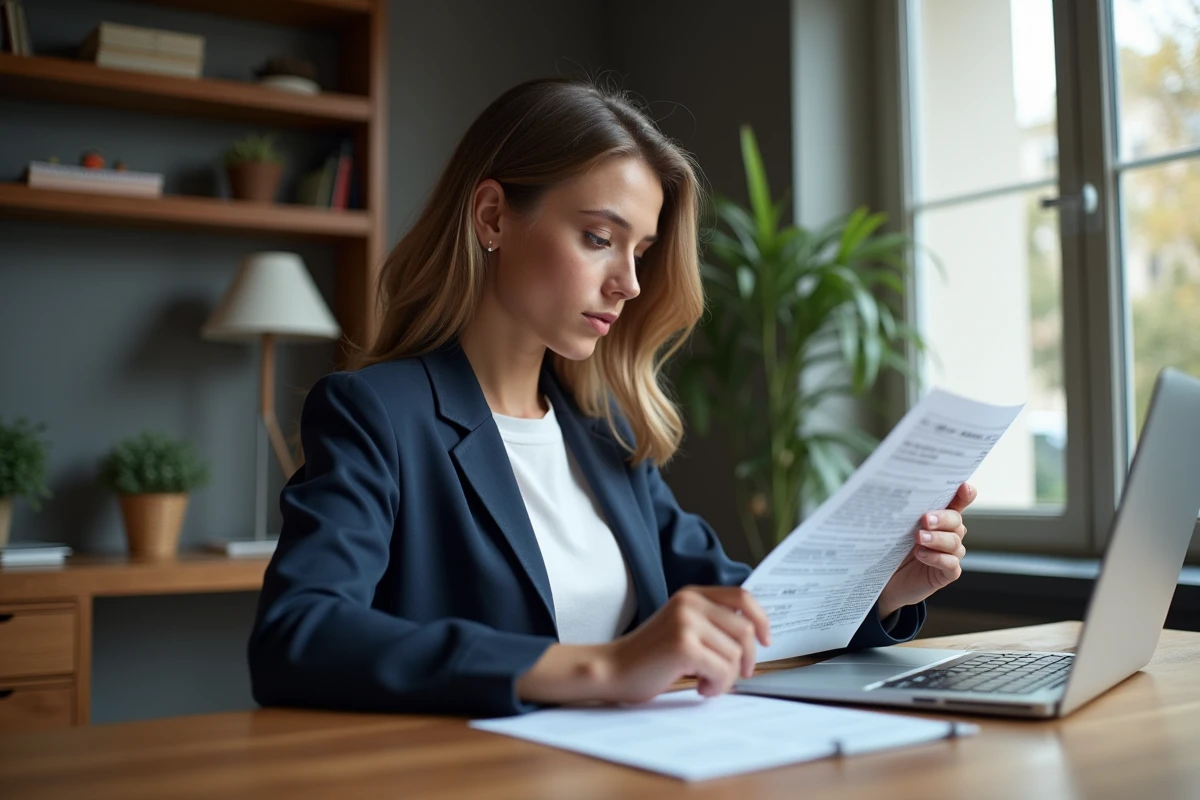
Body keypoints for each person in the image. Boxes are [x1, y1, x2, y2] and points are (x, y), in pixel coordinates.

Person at [247, 77, 976, 718]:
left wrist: (883, 588)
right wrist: (605, 668)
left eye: (641, 251)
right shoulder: (376, 413)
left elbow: (745, 611)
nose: (628, 282)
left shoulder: (603, 433)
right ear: (493, 217)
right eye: (600, 237)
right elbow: (300, 632)